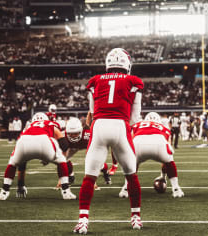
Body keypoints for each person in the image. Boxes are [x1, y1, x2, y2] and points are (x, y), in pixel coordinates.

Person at [73, 48, 143, 234]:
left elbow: (93, 111)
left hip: (100, 126)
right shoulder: (132, 81)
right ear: (127, 64)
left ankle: (83, 220)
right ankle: (135, 217)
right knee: (131, 174)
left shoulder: (95, 81)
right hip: (120, 126)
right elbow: (135, 118)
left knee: (89, 177)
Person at [0, 112, 76, 201]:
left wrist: (20, 184)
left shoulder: (27, 127)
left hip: (24, 141)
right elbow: (63, 144)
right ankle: (65, 191)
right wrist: (53, 158)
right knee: (61, 159)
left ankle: (4, 191)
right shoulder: (49, 123)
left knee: (12, 163)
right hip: (44, 140)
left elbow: (22, 165)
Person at [119, 112, 184, 198]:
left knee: (132, 163)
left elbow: (129, 137)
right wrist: (163, 175)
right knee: (169, 161)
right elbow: (168, 146)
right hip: (159, 142)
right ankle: (176, 189)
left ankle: (125, 189)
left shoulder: (137, 124)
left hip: (138, 142)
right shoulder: (164, 128)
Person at [60, 117, 111, 188]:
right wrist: (61, 181)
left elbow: (93, 154)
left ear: (81, 130)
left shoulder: (88, 135)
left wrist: (93, 182)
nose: (73, 136)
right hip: (72, 147)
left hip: (87, 145)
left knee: (96, 162)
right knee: (63, 160)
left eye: (75, 133)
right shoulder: (62, 135)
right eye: (70, 134)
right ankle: (70, 175)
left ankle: (105, 172)